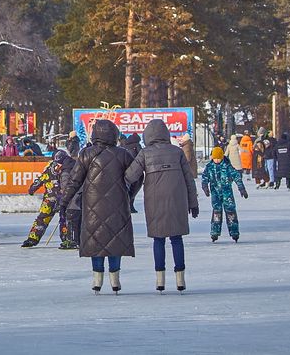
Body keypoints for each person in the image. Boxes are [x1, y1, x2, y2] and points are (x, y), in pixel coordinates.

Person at [59, 119, 139, 294]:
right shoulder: (123, 154)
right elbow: (137, 175)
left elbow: (74, 180)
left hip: (92, 206)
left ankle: (97, 280)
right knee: (115, 239)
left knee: (96, 239)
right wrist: (129, 194)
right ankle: (115, 280)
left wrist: (64, 202)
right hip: (118, 204)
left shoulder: (86, 154)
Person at [124, 120, 198, 293]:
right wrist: (193, 203)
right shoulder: (177, 152)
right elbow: (189, 179)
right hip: (177, 201)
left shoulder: (145, 153)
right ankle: (180, 280)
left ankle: (160, 280)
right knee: (176, 239)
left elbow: (130, 175)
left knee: (158, 239)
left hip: (154, 201)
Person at [200, 147, 248, 242]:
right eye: (215, 158)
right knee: (217, 212)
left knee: (230, 211)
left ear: (222, 157)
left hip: (227, 193)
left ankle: (234, 232)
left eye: (218, 158)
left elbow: (237, 177)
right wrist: (205, 187)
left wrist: (242, 188)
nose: (217, 160)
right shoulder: (209, 167)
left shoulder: (227, 166)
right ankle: (215, 232)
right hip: (215, 194)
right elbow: (204, 177)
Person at [21, 150, 67, 247]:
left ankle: (66, 239)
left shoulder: (66, 168)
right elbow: (41, 179)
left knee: (64, 219)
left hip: (62, 198)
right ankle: (32, 238)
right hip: (52, 198)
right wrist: (32, 188)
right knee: (43, 218)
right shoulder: (51, 168)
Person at [58, 136, 82, 250]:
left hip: (72, 200)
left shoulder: (66, 172)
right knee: (76, 220)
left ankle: (72, 240)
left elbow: (66, 187)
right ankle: (75, 239)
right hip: (78, 199)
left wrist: (64, 200)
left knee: (71, 221)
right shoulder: (77, 167)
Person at [121, 132, 142, 213]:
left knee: (128, 189)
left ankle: (127, 205)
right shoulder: (137, 145)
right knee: (135, 189)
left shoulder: (124, 146)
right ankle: (130, 205)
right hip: (136, 170)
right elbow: (141, 156)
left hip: (126, 170)